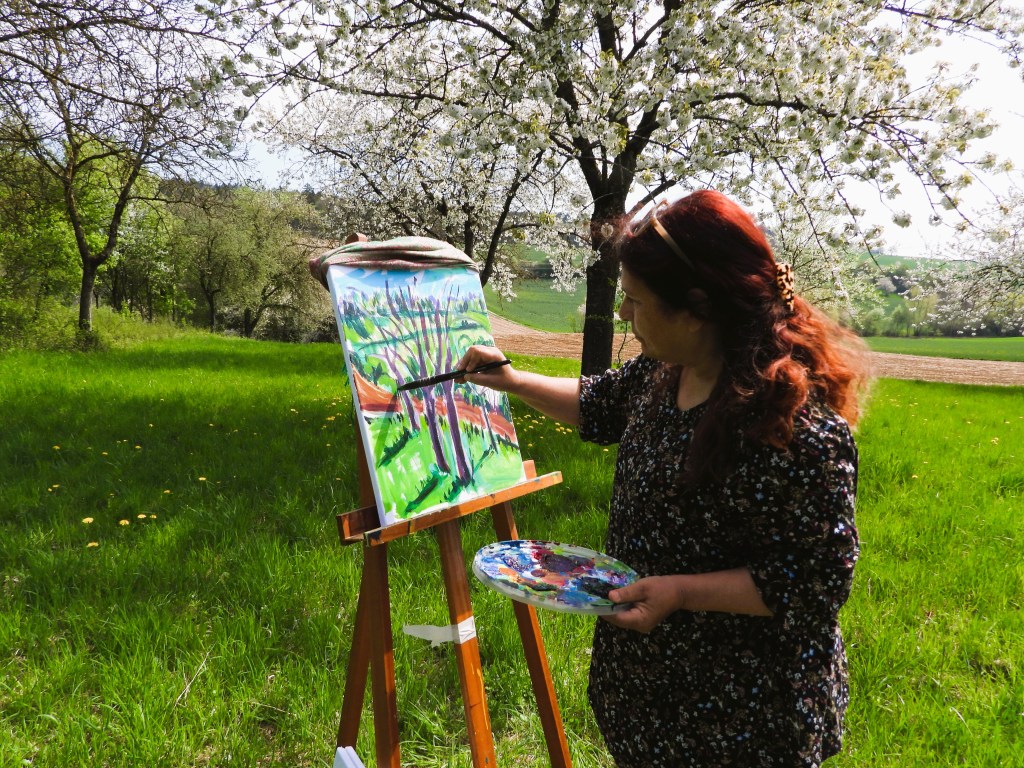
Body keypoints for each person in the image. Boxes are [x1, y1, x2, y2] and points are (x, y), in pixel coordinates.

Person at [457, 189, 869, 768]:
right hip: (647, 691)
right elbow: (598, 405)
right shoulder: (666, 370)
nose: (623, 314)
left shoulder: (790, 428)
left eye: (637, 300)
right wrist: (511, 380)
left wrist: (680, 591)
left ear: (697, 308)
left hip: (741, 718)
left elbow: (812, 585)